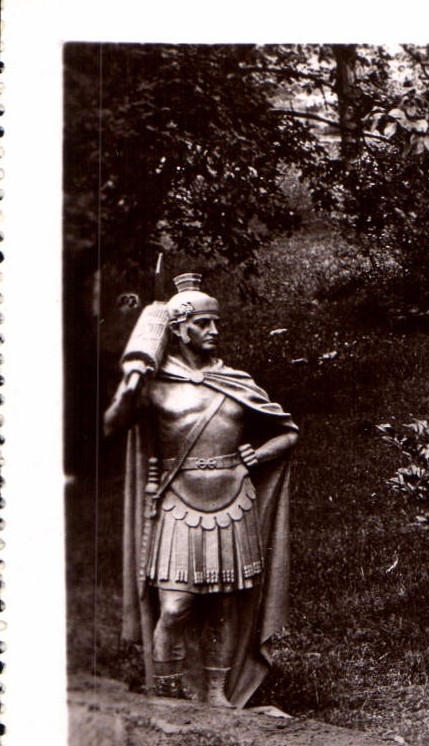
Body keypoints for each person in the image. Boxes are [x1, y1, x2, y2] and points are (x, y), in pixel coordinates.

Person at [104, 273, 298, 708]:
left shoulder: (237, 382)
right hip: (178, 503)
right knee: (175, 607)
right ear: (178, 330)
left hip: (234, 502)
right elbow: (113, 425)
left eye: (216, 323)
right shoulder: (154, 386)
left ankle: (216, 691)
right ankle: (168, 695)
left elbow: (287, 433)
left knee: (226, 606)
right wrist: (131, 379)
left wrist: (259, 456)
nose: (214, 332)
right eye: (203, 324)